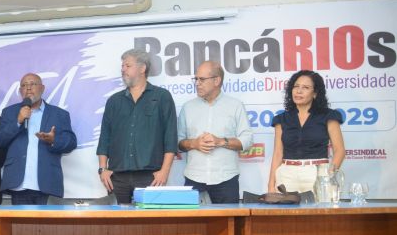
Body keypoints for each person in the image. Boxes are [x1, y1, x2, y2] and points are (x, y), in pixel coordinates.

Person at [97, 48, 178, 204]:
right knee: (117, 219)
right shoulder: (114, 101)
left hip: (151, 176)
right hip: (117, 177)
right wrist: (102, 169)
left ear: (142, 68)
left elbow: (170, 137)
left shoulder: (162, 97)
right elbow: (105, 137)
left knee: (149, 219)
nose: (123, 70)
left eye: (128, 66)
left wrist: (164, 171)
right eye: (122, 66)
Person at [177, 61, 253, 203]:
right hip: (194, 177)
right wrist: (194, 143)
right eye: (196, 79)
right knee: (190, 218)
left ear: (217, 80)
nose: (197, 83)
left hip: (226, 179)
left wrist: (220, 141)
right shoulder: (188, 108)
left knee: (229, 218)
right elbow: (178, 142)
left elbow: (247, 140)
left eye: (202, 79)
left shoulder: (235, 106)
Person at [0, 73, 77, 205]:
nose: (28, 88)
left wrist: (53, 140)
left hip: (48, 183)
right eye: (24, 85)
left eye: (32, 84)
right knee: (20, 220)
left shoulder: (59, 114)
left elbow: (71, 142)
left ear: (42, 88)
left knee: (48, 220)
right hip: (19, 185)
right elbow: (0, 140)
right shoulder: (9, 112)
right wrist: (18, 121)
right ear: (20, 91)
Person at [267, 70, 346, 193]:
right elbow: (278, 153)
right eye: (296, 86)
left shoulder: (328, 116)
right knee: (284, 206)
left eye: (305, 87)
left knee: (320, 206)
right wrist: (271, 185)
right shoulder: (281, 119)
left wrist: (329, 175)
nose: (299, 91)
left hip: (318, 173)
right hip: (287, 175)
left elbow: (339, 150)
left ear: (315, 93)